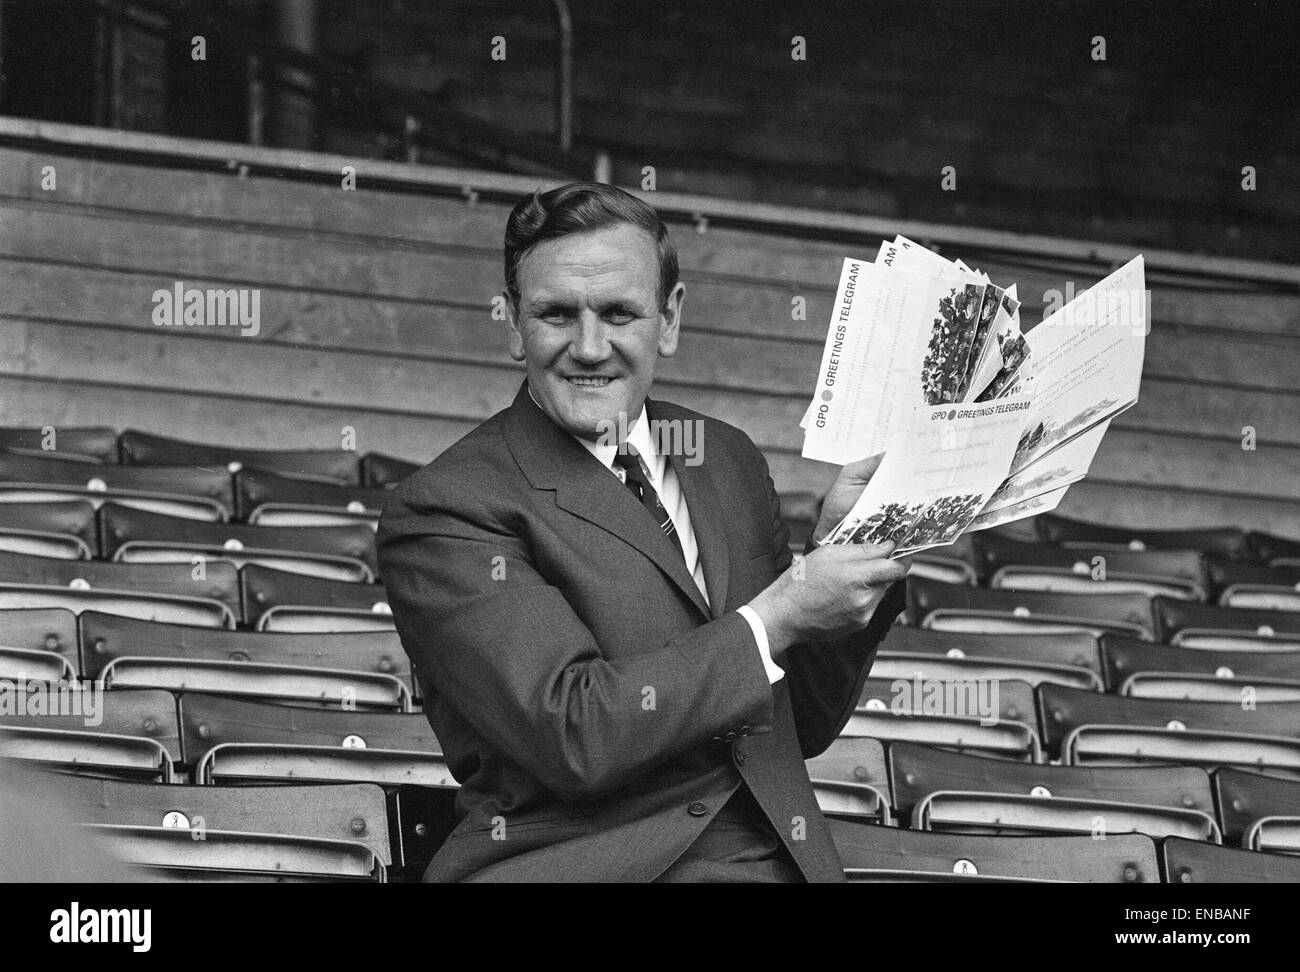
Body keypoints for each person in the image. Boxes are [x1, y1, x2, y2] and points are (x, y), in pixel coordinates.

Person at [377, 182, 910, 882]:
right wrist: (777, 617)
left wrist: (842, 554)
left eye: (619, 313)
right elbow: (575, 733)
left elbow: (795, 724)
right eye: (556, 314)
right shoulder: (446, 507)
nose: (589, 347)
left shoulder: (723, 456)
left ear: (670, 319)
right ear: (512, 325)